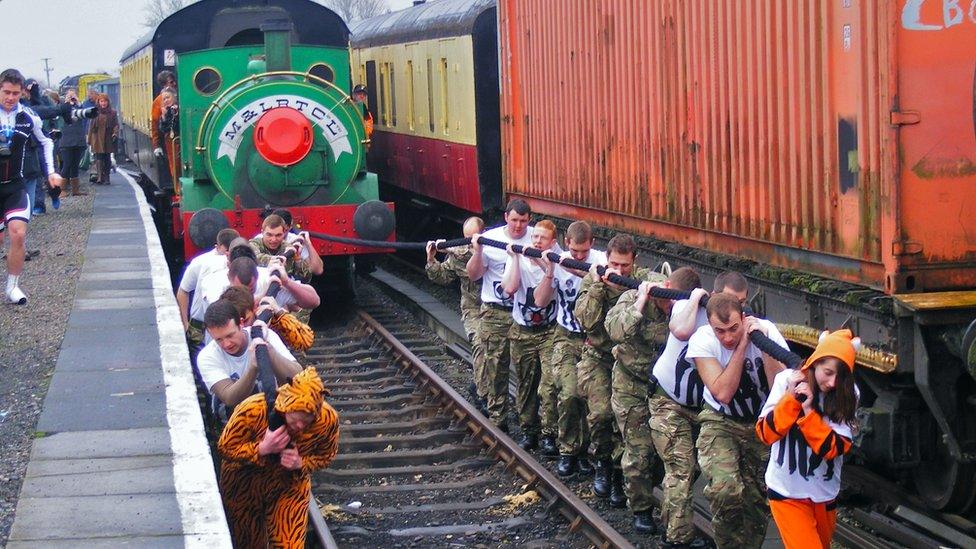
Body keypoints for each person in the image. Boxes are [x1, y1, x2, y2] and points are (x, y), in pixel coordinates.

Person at [651, 270, 748, 549]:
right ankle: (677, 540)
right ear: (715, 295)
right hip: (667, 401)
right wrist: (694, 300)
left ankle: (671, 521)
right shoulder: (691, 307)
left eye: (740, 302)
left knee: (692, 473)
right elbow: (680, 329)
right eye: (729, 300)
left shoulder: (739, 324)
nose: (734, 309)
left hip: (700, 409)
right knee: (681, 468)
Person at [687, 293, 788, 549]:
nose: (728, 337)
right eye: (720, 331)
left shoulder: (766, 331)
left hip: (759, 425)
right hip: (721, 420)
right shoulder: (702, 339)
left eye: (734, 329)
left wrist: (763, 345)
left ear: (744, 318)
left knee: (756, 504)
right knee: (725, 491)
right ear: (711, 326)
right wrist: (742, 346)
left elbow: (781, 387)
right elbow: (723, 392)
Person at [605, 267, 695, 532]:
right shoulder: (634, 297)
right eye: (669, 300)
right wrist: (642, 303)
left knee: (678, 460)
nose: (671, 306)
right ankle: (641, 508)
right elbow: (615, 330)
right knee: (640, 452)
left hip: (665, 392)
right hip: (631, 384)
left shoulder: (686, 311)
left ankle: (657, 503)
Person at [756, 329, 859, 549]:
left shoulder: (849, 395)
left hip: (824, 497)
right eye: (828, 372)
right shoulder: (786, 381)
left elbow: (834, 447)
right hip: (786, 493)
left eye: (840, 377)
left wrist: (809, 411)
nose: (832, 383)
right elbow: (765, 433)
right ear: (815, 363)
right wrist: (791, 400)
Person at [218, 366, 339, 548]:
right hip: (243, 483)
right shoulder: (252, 410)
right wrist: (261, 448)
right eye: (295, 418)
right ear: (285, 407)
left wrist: (301, 463)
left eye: (306, 421)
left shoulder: (326, 420)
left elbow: (326, 455)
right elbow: (225, 447)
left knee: (289, 545)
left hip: (288, 485)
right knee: (248, 543)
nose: (299, 426)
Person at [574, 233, 647, 503]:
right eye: (614, 264)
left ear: (634, 262)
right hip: (598, 355)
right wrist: (596, 287)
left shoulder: (642, 281)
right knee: (601, 413)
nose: (618, 271)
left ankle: (618, 474)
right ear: (606, 259)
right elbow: (585, 321)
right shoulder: (593, 280)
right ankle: (603, 462)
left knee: (623, 424)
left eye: (624, 266)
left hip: (627, 362)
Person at [537, 221, 604, 477]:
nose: (578, 257)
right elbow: (541, 301)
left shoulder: (600, 261)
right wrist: (550, 272)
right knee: (569, 393)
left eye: (583, 253)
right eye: (574, 252)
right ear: (567, 244)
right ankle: (567, 449)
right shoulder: (559, 260)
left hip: (593, 339)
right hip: (565, 336)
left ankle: (584, 451)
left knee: (589, 399)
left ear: (592, 245)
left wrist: (580, 270)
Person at [466, 198, 533, 431]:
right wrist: (478, 251)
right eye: (514, 220)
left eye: (523, 221)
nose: (518, 226)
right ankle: (498, 418)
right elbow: (474, 275)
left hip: (525, 313)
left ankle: (528, 423)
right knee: (495, 368)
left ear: (529, 220)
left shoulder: (535, 238)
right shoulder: (491, 237)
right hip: (496, 312)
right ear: (506, 217)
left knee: (527, 370)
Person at [0, 68, 61, 304]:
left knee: (18, 234)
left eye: (15, 93)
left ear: (22, 93)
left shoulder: (28, 116)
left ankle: (13, 287)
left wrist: (52, 173)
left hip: (15, 185)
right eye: (6, 92)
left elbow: (46, 142)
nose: (10, 98)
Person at [500, 219, 559, 450]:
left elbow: (545, 294)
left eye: (542, 238)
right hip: (522, 331)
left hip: (549, 332)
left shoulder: (557, 261)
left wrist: (547, 266)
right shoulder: (518, 258)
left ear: (552, 243)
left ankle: (549, 433)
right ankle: (528, 429)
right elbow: (510, 288)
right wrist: (514, 257)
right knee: (525, 383)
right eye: (535, 237)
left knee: (549, 385)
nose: (536, 241)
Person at [197, 298, 303, 422]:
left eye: (230, 335)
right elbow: (229, 397)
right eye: (218, 339)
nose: (226, 344)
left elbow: (298, 376)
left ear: (241, 323)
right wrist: (253, 367)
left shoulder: (265, 335)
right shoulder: (207, 356)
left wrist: (269, 351)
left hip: (274, 414)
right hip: (234, 423)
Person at [425, 216, 485, 407]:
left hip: (498, 311)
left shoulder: (495, 251)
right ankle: (482, 394)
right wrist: (432, 259)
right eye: (466, 238)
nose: (470, 242)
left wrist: (448, 247)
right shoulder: (458, 256)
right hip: (474, 309)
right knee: (480, 345)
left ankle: (486, 389)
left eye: (474, 237)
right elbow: (442, 277)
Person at [177, 228, 240, 348]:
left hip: (225, 325)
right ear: (218, 246)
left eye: (230, 252)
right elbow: (183, 290)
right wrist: (185, 323)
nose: (227, 255)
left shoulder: (239, 263)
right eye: (226, 251)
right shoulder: (200, 262)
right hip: (199, 325)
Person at [250, 214, 321, 281]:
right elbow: (255, 257)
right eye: (269, 235)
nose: (273, 239)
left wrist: (297, 259)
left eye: (278, 235)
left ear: (284, 233)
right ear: (262, 232)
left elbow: (306, 279)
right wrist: (276, 259)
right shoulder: (253, 244)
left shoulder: (289, 248)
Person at [57, 88, 88, 196]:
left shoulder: (80, 108)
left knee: (75, 165)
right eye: (69, 96)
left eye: (73, 95)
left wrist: (78, 103)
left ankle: (75, 190)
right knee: (67, 164)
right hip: (66, 141)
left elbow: (86, 115)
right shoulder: (62, 108)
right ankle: (61, 190)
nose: (72, 98)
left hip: (79, 140)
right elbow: (60, 115)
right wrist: (67, 103)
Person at [151, 71, 177, 184]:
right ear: (165, 85)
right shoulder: (158, 101)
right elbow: (155, 124)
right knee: (175, 166)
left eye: (173, 81)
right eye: (171, 82)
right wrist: (156, 145)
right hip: (170, 139)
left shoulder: (181, 94)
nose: (174, 84)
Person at [86, 93, 117, 185]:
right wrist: (89, 139)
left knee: (107, 157)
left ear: (108, 102)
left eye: (105, 101)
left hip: (108, 137)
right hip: (97, 137)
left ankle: (107, 177)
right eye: (101, 101)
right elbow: (91, 126)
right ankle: (100, 176)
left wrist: (115, 133)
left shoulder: (112, 112)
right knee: (98, 157)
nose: (103, 103)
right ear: (98, 102)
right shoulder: (94, 112)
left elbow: (116, 124)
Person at [157, 87, 181, 188]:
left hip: (179, 143)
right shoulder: (165, 112)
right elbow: (163, 129)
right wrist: (163, 117)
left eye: (168, 97)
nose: (166, 100)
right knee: (173, 168)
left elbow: (176, 127)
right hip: (170, 145)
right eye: (164, 99)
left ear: (174, 96)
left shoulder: (178, 110)